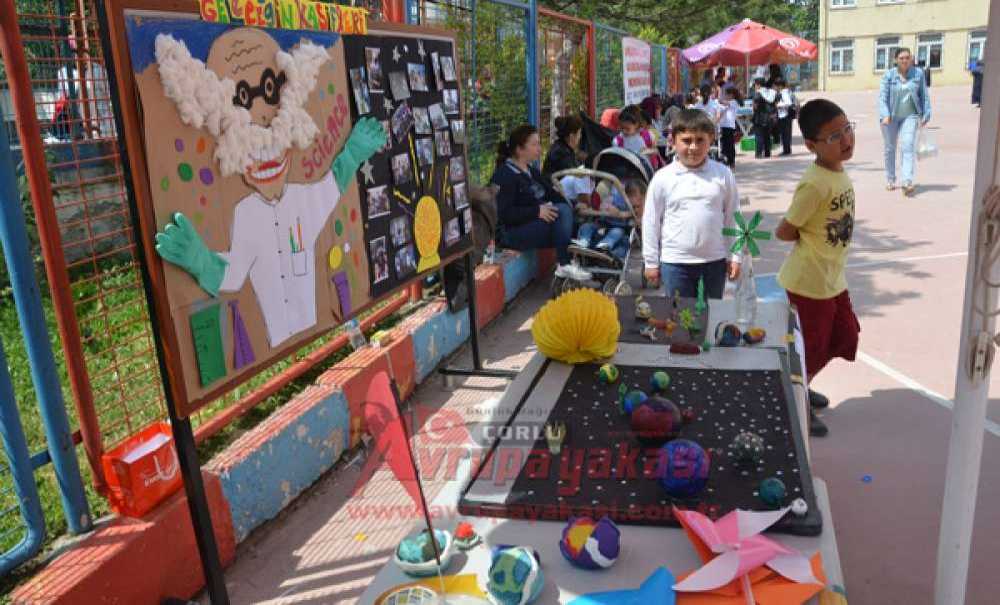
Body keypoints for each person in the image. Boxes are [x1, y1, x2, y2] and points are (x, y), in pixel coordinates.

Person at [774, 99, 861, 438]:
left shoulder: (837, 170)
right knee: (809, 347)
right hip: (807, 283)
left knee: (845, 335)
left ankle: (802, 387)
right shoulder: (814, 183)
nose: (845, 140)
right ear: (811, 146)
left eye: (847, 129)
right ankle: (794, 401)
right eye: (834, 136)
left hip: (832, 278)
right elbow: (785, 230)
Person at [642, 108, 741, 300]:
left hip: (714, 262)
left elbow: (733, 217)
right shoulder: (663, 178)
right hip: (675, 264)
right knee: (679, 322)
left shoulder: (723, 174)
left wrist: (735, 256)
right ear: (673, 141)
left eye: (700, 140)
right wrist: (651, 262)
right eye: (686, 141)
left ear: (710, 139)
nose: (693, 147)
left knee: (710, 318)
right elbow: (651, 221)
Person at [491, 124, 591, 281]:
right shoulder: (505, 175)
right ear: (519, 149)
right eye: (534, 144)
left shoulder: (531, 171)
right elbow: (505, 215)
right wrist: (537, 211)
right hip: (511, 234)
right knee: (562, 214)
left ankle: (584, 262)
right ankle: (564, 263)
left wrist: (574, 203)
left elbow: (553, 194)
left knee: (578, 221)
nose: (539, 148)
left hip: (534, 225)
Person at [879, 47, 931, 196]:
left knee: (907, 145)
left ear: (911, 59)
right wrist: (885, 114)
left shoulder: (918, 74)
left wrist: (926, 113)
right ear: (896, 60)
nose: (905, 60)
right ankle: (890, 178)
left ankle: (907, 180)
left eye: (907, 57)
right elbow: (882, 97)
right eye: (901, 58)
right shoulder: (888, 76)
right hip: (891, 116)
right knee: (890, 148)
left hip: (910, 115)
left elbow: (924, 95)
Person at [572, 179, 645, 261]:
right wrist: (606, 208)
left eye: (637, 205)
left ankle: (604, 247)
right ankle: (583, 241)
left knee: (617, 232)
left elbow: (637, 219)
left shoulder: (639, 209)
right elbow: (601, 206)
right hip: (603, 225)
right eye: (630, 197)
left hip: (619, 231)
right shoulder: (616, 198)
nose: (635, 207)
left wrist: (621, 214)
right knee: (586, 226)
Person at [614, 105, 663, 169]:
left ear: (637, 125)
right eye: (621, 127)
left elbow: (655, 151)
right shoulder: (618, 141)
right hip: (627, 171)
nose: (624, 131)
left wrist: (650, 151)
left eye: (627, 129)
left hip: (646, 170)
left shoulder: (648, 136)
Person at [542, 115, 584, 179]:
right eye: (579, 133)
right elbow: (575, 177)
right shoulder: (561, 154)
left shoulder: (562, 147)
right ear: (572, 136)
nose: (580, 137)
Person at [752, 78, 777, 159]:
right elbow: (775, 103)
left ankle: (758, 153)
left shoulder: (758, 94)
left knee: (759, 135)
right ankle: (767, 153)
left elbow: (755, 106)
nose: (755, 86)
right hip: (769, 118)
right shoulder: (771, 92)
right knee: (767, 136)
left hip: (760, 117)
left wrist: (754, 107)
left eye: (755, 84)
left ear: (758, 84)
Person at [775, 78, 797, 156]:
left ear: (780, 86)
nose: (775, 88)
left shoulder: (784, 93)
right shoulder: (787, 91)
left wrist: (778, 105)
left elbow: (788, 103)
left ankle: (786, 150)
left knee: (785, 133)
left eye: (776, 86)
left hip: (785, 115)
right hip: (786, 115)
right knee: (786, 133)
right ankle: (787, 149)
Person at [719, 87, 739, 168]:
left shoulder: (734, 102)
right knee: (724, 144)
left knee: (730, 144)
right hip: (723, 126)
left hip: (730, 126)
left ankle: (732, 161)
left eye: (727, 94)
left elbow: (724, 102)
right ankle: (726, 161)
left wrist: (719, 100)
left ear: (732, 95)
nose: (725, 96)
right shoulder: (726, 104)